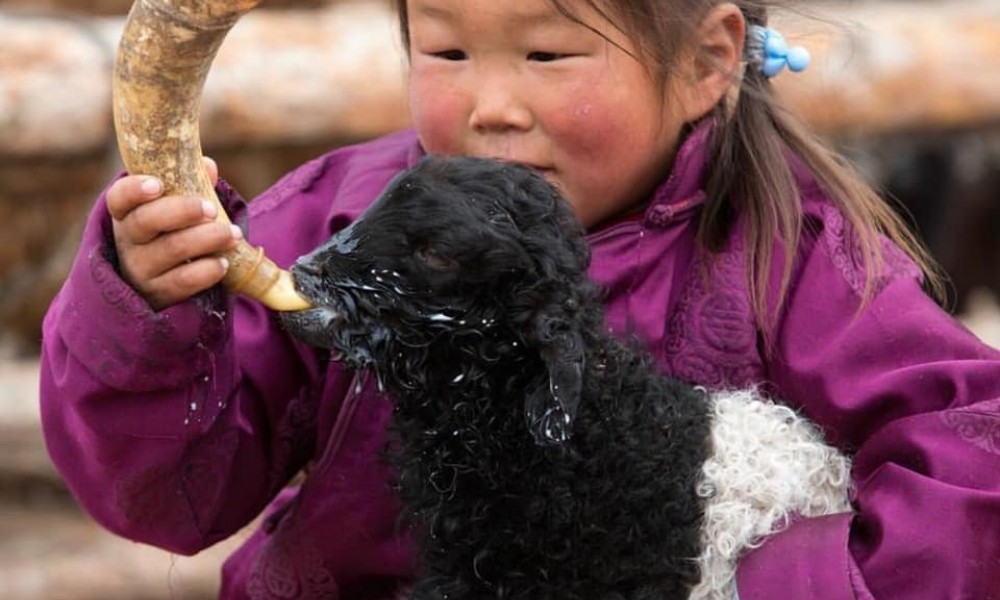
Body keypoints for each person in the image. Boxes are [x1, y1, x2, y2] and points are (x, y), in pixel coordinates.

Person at [39, 0, 1000, 598]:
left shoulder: (791, 256)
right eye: (447, 50)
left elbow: (968, 456)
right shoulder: (332, 225)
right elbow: (166, 497)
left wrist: (766, 585)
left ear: (707, 62)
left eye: (547, 55)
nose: (493, 105)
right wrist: (152, 311)